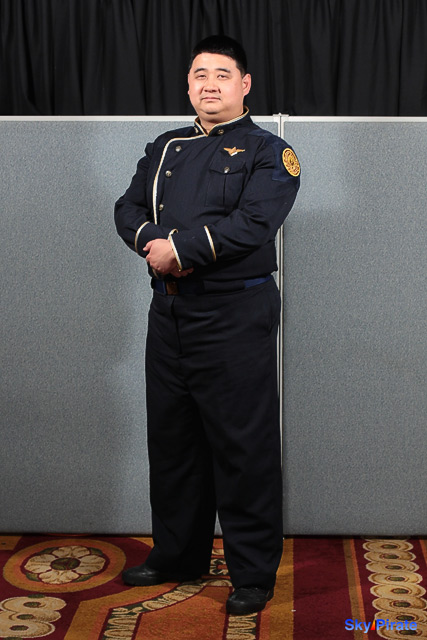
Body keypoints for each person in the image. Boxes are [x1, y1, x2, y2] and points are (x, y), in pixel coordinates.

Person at [114, 34, 300, 616]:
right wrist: (152, 242)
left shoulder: (270, 152)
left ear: (245, 85)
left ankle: (253, 572)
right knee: (173, 442)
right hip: (168, 312)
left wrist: (181, 249)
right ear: (188, 85)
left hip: (233, 313)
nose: (210, 84)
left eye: (223, 74)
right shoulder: (164, 146)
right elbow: (127, 208)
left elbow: (255, 222)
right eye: (200, 74)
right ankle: (178, 555)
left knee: (242, 446)